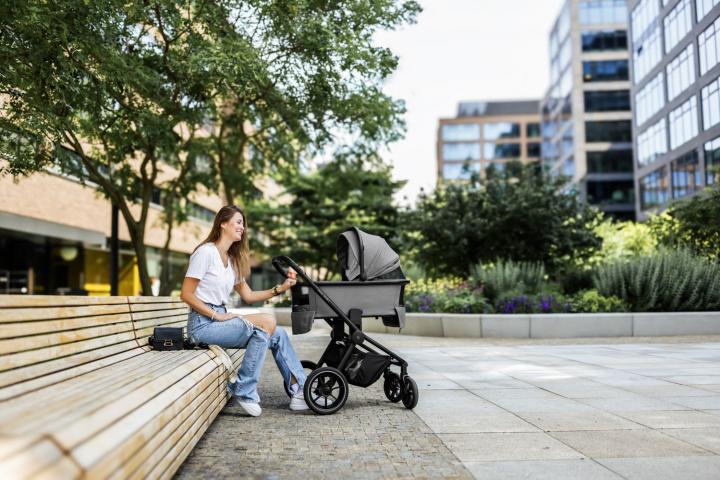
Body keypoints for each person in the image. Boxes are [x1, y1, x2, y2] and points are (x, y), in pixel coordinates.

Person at [180, 205, 307, 417]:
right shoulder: (206, 253)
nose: (242, 227)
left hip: (219, 321)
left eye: (243, 224)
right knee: (265, 324)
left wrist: (281, 288)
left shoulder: (231, 261)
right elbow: (186, 294)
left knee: (278, 334)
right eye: (238, 222)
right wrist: (217, 315)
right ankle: (244, 390)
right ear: (223, 223)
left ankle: (299, 391)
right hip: (202, 325)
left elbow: (248, 296)